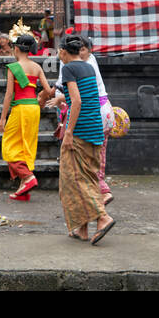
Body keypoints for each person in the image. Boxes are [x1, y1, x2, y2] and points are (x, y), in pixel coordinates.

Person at [58, 33, 115, 243]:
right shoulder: (88, 66)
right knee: (89, 176)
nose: (59, 56)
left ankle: (102, 218)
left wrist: (69, 132)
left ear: (64, 52)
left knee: (72, 178)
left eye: (59, 52)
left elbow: (77, 101)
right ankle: (81, 229)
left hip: (80, 129)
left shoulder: (68, 69)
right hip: (96, 128)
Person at [0, 24, 52, 199]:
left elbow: (8, 95)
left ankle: (28, 177)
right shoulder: (37, 67)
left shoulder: (13, 67)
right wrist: (41, 98)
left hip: (20, 108)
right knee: (27, 145)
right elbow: (49, 91)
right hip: (34, 109)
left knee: (9, 145)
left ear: (16, 48)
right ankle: (23, 189)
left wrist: (2, 118)